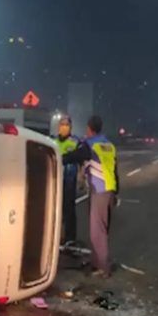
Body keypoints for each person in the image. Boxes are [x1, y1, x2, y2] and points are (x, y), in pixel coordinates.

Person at [63, 115, 119, 278]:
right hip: (109, 189)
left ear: (89, 128)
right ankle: (96, 263)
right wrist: (116, 192)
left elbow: (74, 156)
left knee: (97, 231)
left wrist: (57, 157)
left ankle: (102, 268)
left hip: (99, 190)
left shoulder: (90, 145)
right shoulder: (109, 145)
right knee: (101, 228)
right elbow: (114, 170)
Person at [55, 115, 80, 246]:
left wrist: (82, 177)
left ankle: (70, 239)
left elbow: (82, 160)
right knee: (55, 210)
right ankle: (57, 236)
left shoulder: (76, 142)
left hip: (70, 180)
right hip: (55, 181)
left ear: (70, 127)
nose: (64, 127)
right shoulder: (53, 141)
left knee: (69, 210)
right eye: (62, 124)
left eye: (66, 125)